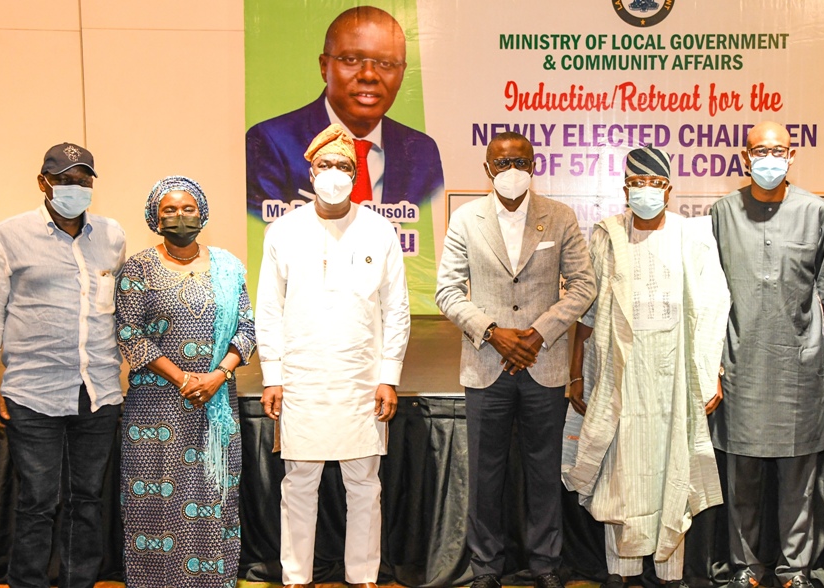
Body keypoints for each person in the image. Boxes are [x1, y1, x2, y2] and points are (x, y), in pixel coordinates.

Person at [562, 147, 729, 588]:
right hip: (621, 375)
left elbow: (714, 304)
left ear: (669, 190)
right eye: (639, 184)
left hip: (674, 377)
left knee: (671, 468)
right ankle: (621, 572)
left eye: (655, 185)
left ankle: (669, 573)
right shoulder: (607, 235)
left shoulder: (691, 235)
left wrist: (709, 371)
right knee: (622, 473)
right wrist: (577, 373)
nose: (647, 192)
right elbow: (587, 311)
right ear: (625, 190)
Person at [435, 131, 596, 588]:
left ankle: (546, 566)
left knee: (544, 472)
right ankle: (486, 568)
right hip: (486, 365)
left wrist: (537, 334)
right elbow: (447, 290)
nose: (511, 172)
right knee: (485, 474)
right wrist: (492, 333)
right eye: (502, 164)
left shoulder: (560, 217)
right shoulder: (466, 219)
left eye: (520, 162)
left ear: (533, 166)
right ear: (487, 169)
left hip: (543, 365)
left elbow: (584, 286)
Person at [256, 123, 411, 588]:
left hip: (361, 380)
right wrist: (272, 376)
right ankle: (296, 577)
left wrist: (389, 376)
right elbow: (269, 309)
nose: (334, 173)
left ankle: (363, 576)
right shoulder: (283, 231)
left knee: (364, 485)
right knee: (299, 485)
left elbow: (396, 309)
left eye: (344, 166)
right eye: (326, 165)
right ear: (311, 170)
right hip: (302, 380)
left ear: (357, 173)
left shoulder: (380, 230)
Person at [0, 142, 126, 587]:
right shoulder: (7, 236)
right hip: (32, 392)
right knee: (38, 501)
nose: (74, 187)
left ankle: (77, 582)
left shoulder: (112, 235)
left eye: (83, 180)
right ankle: (27, 582)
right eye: (64, 180)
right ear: (43, 182)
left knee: (87, 500)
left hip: (98, 389)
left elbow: (118, 308)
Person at [709, 121, 824, 588]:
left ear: (792, 153)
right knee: (741, 478)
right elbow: (709, 295)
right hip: (739, 365)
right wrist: (712, 365)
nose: (769, 158)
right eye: (760, 150)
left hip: (798, 367)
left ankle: (794, 569)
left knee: (798, 479)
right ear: (745, 157)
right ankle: (744, 569)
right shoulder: (722, 213)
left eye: (778, 149)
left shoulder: (816, 212)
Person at [114, 176, 257, 587]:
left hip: (215, 404)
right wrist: (182, 379)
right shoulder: (138, 268)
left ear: (203, 214)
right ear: (155, 219)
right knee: (154, 505)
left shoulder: (228, 266)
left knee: (213, 496)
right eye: (169, 210)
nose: (180, 216)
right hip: (154, 411)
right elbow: (129, 333)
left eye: (188, 208)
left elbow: (247, 329)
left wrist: (217, 375)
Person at [246, 5, 444, 218]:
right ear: (324, 66)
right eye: (351, 60)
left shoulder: (421, 152)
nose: (369, 75)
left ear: (402, 72)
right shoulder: (271, 141)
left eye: (386, 63)